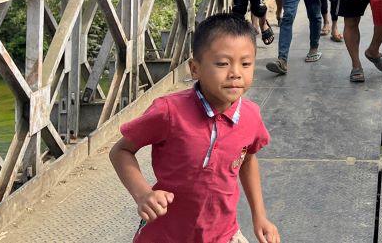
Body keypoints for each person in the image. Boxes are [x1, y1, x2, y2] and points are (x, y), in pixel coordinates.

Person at [109, 14, 279, 243]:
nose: (235, 73)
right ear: (195, 68)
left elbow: (247, 159)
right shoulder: (169, 112)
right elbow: (120, 151)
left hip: (223, 234)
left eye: (246, 63)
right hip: (167, 234)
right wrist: (143, 194)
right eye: (222, 63)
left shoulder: (250, 115)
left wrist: (260, 216)